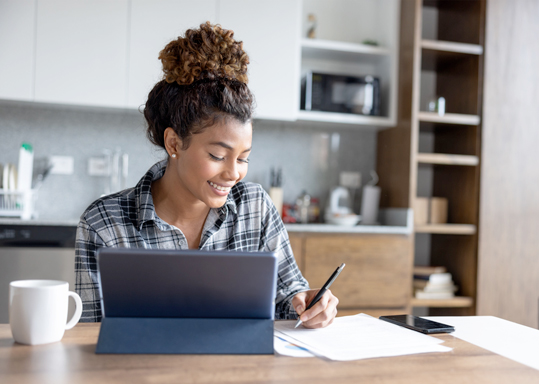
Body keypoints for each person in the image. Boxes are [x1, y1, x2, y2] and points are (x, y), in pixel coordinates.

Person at [75, 22, 338, 329]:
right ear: (174, 143)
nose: (233, 173)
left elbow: (289, 298)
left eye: (243, 159)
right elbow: (88, 336)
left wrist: (310, 305)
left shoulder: (256, 208)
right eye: (217, 156)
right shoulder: (104, 224)